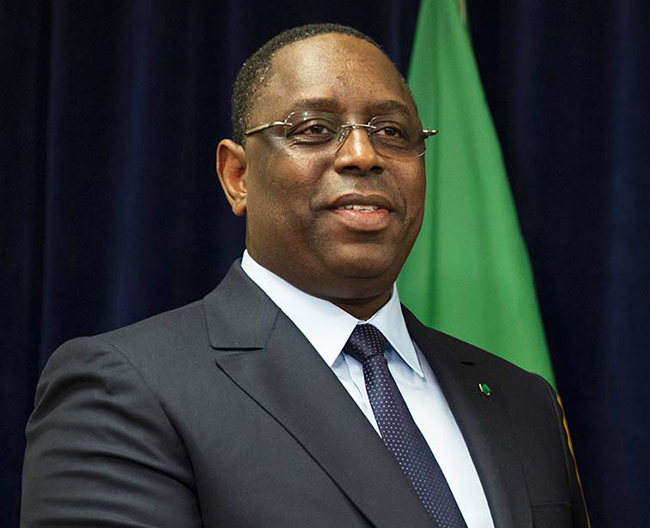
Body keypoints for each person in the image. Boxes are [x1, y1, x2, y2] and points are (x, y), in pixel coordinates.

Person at [21, 24, 589, 528]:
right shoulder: (125, 390)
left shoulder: (523, 400)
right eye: (315, 129)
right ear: (238, 175)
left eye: (393, 132)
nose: (363, 154)